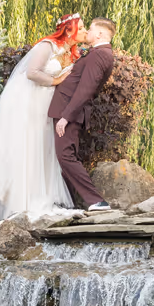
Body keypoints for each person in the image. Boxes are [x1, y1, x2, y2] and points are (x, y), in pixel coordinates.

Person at [0, 14, 85, 221]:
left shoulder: (71, 52)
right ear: (69, 29)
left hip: (48, 104)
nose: (84, 31)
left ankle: (40, 195)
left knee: (43, 147)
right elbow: (32, 72)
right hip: (32, 102)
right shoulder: (47, 46)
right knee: (29, 145)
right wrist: (57, 80)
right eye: (82, 27)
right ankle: (20, 201)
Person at [49, 17, 116, 212]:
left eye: (91, 29)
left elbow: (85, 90)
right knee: (66, 156)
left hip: (69, 111)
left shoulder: (100, 55)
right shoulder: (98, 53)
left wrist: (66, 116)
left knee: (65, 156)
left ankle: (96, 201)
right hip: (67, 110)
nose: (87, 32)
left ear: (101, 34)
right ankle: (68, 202)